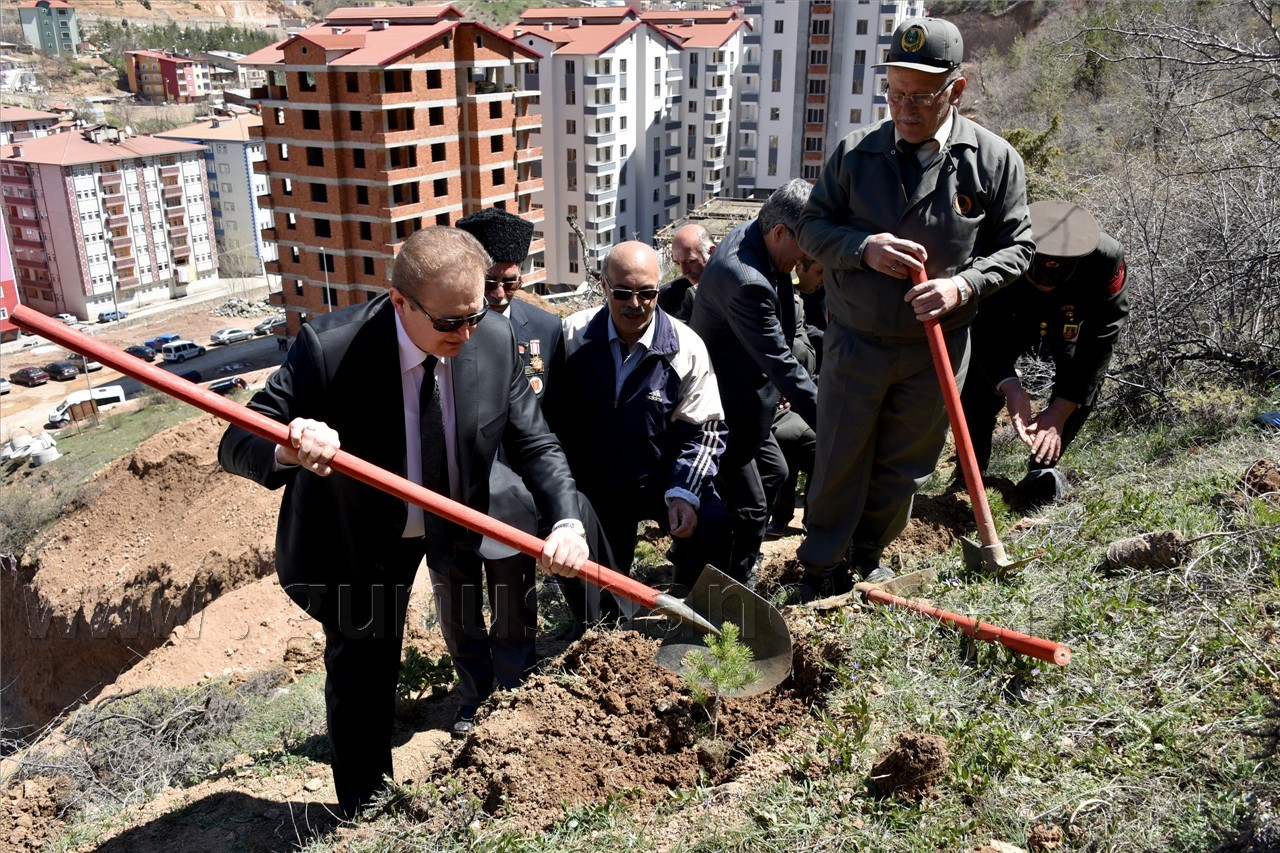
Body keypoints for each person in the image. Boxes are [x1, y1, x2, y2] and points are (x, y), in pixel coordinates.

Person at [217, 226, 590, 818]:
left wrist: (566, 522)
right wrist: (289, 447)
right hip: (358, 541)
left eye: (474, 314)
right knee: (364, 673)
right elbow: (237, 438)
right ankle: (366, 810)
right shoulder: (329, 348)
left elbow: (537, 444)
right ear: (400, 302)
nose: (465, 335)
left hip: (454, 525)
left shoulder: (492, 341)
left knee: (475, 625)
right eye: (448, 323)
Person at [795, 17, 1034, 590]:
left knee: (905, 463)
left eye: (922, 96)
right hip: (856, 342)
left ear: (958, 86)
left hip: (938, 350)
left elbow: (1020, 247)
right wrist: (861, 247)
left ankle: (869, 551)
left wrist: (963, 285)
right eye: (895, 94)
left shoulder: (995, 161)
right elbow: (810, 227)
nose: (905, 109)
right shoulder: (855, 154)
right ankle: (821, 563)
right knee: (838, 457)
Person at [547, 241, 730, 593]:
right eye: (622, 293)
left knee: (713, 520)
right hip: (596, 484)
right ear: (603, 287)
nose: (635, 304)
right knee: (599, 588)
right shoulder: (572, 336)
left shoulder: (686, 346)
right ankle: (599, 628)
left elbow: (705, 431)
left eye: (647, 293)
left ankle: (690, 605)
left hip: (660, 478)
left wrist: (684, 493)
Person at [455, 206, 564, 684]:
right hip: (456, 488)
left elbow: (549, 425)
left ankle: (516, 682)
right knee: (458, 601)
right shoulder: (448, 327)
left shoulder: (546, 330)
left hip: (516, 496)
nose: (498, 295)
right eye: (490, 283)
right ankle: (473, 691)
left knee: (514, 599)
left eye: (511, 283)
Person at [690, 179, 819, 582]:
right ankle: (733, 584)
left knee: (775, 473)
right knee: (750, 506)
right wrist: (830, 420)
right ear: (781, 232)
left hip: (749, 401)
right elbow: (780, 360)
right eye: (806, 245)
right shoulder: (747, 279)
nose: (807, 257)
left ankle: (721, 553)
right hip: (724, 407)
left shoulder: (758, 234)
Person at [959, 200, 1128, 506]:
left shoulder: (1106, 259)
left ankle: (1039, 477)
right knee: (978, 386)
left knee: (1078, 389)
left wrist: (1061, 409)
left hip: (1071, 319)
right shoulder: (996, 245)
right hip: (1009, 314)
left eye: (1054, 277)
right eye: (1037, 274)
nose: (1045, 284)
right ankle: (966, 478)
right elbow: (980, 327)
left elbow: (1101, 340)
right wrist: (1010, 385)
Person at [768, 257, 824, 536]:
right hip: (762, 406)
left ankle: (801, 519)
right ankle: (789, 516)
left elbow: (806, 356)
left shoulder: (796, 305)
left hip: (787, 400)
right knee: (809, 443)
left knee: (815, 439)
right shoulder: (755, 305)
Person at [657, 223, 715, 322]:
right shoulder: (667, 297)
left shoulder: (732, 288)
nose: (684, 271)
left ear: (711, 252)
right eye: (677, 263)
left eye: (689, 261)